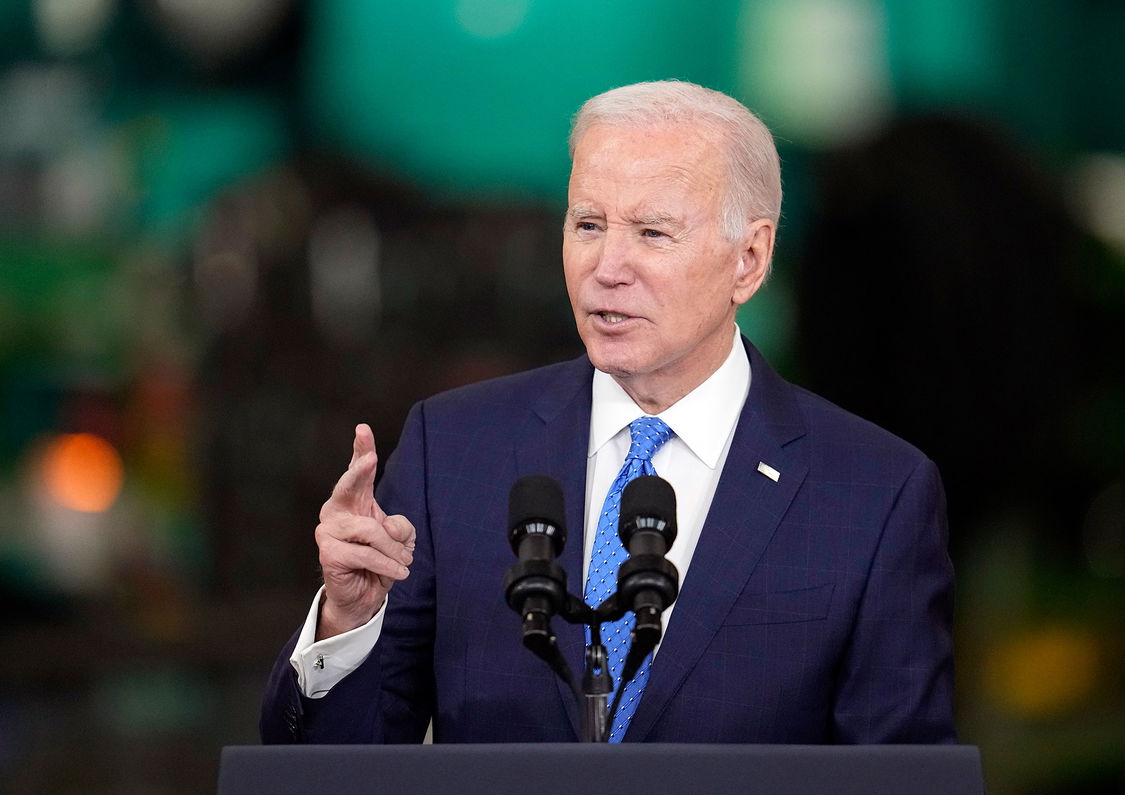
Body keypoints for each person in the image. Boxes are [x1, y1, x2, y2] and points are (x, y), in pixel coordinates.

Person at [259, 81, 956, 745]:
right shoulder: (454, 451)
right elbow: (340, 764)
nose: (608, 266)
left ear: (750, 258)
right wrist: (347, 623)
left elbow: (899, 774)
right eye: (588, 224)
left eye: (653, 233)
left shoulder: (873, 494)